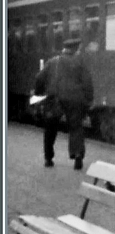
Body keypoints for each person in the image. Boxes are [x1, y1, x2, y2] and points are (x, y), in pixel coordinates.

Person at [34, 37, 94, 170]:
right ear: (75, 50)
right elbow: (87, 83)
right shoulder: (80, 63)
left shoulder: (53, 62)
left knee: (50, 128)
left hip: (55, 99)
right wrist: (89, 99)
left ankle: (48, 158)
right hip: (75, 100)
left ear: (64, 49)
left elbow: (39, 78)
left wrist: (39, 94)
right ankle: (77, 155)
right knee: (76, 127)